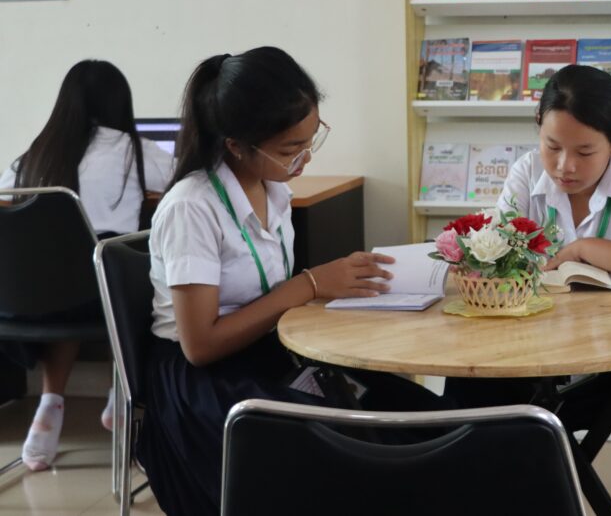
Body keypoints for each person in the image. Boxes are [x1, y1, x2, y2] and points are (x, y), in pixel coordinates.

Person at [136, 47, 445, 516]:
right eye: (289, 149)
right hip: (206, 377)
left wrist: (344, 291)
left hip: (268, 350)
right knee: (343, 448)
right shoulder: (191, 207)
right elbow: (199, 345)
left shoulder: (274, 190)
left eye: (311, 138)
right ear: (236, 145)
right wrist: (310, 285)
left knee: (417, 416)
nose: (304, 159)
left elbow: (276, 298)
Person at [445, 65, 611, 516]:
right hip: (540, 349)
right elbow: (495, 256)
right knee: (467, 385)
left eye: (586, 151)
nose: (565, 166)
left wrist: (584, 249)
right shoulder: (527, 174)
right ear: (538, 130)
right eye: (552, 146)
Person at [0, 59, 174, 471]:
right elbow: (186, 183)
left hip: (34, 302)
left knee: (75, 276)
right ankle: (124, 391)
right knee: (139, 275)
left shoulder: (35, 155)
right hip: (102, 298)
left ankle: (49, 405)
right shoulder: (139, 152)